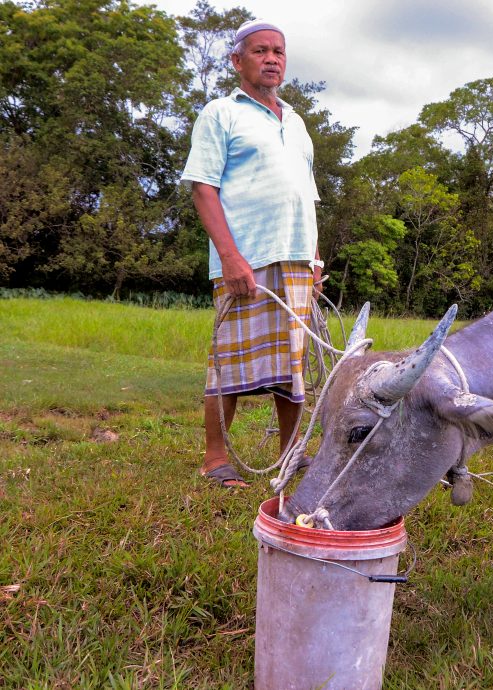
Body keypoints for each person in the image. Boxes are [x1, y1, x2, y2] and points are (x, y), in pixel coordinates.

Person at [181, 19, 322, 488]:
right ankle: (215, 459)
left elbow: (308, 195)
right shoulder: (221, 113)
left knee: (292, 362)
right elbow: (203, 188)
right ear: (237, 60)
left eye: (278, 51)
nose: (272, 59)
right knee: (229, 358)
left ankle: (291, 454)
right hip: (246, 257)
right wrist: (231, 257)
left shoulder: (298, 123)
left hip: (297, 257)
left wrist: (315, 260)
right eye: (260, 51)